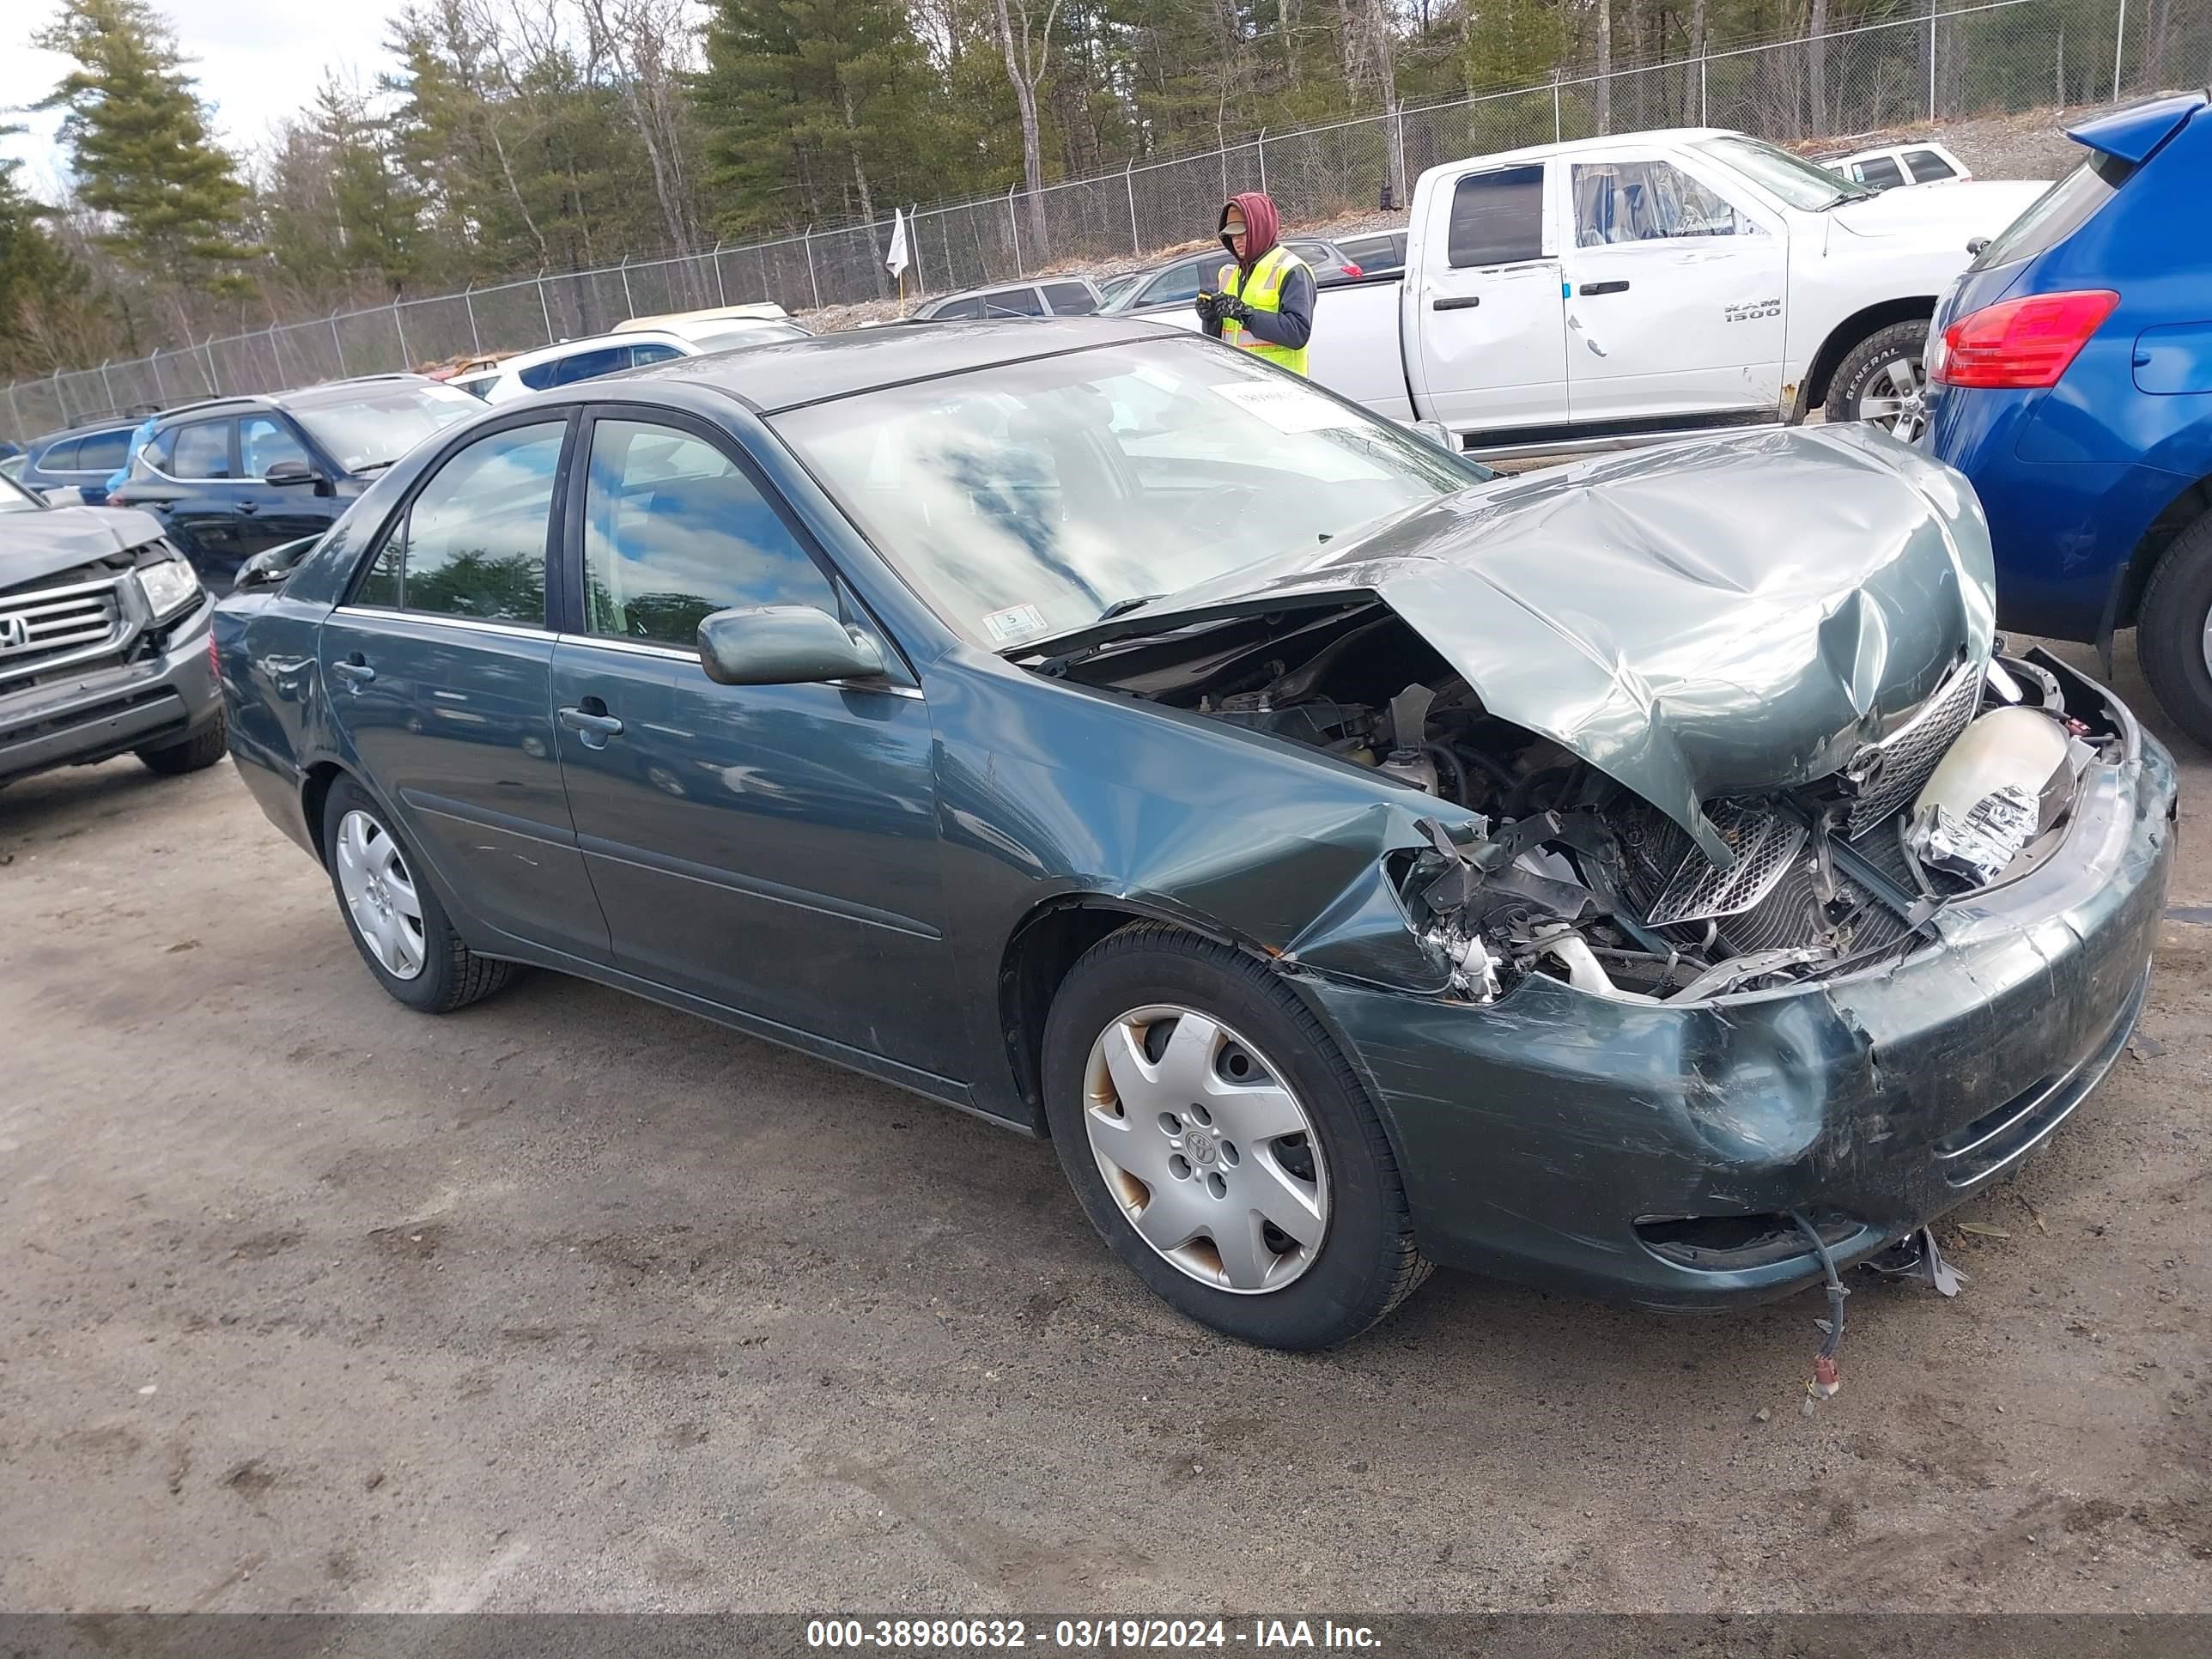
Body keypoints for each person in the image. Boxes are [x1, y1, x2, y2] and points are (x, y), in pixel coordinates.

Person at [1194, 192, 1315, 376]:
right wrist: (1210, 319)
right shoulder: (1228, 274)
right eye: (1232, 235)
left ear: (1260, 228)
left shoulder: (1291, 270)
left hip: (1282, 385)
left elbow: (1297, 332)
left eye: (1243, 233)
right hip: (1238, 382)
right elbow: (1222, 338)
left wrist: (1245, 314)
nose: (1237, 240)